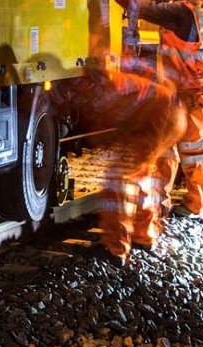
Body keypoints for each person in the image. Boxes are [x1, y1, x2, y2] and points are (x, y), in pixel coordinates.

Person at [114, 0, 203, 219]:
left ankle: (196, 207)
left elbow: (151, 8)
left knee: (192, 152)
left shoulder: (182, 12)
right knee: (166, 148)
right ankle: (161, 203)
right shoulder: (182, 5)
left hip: (192, 92)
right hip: (180, 91)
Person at [50, 63, 184, 262]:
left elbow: (117, 121)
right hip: (170, 115)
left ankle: (115, 248)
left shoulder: (102, 90)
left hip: (156, 119)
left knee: (118, 180)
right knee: (142, 177)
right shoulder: (104, 83)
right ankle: (144, 236)